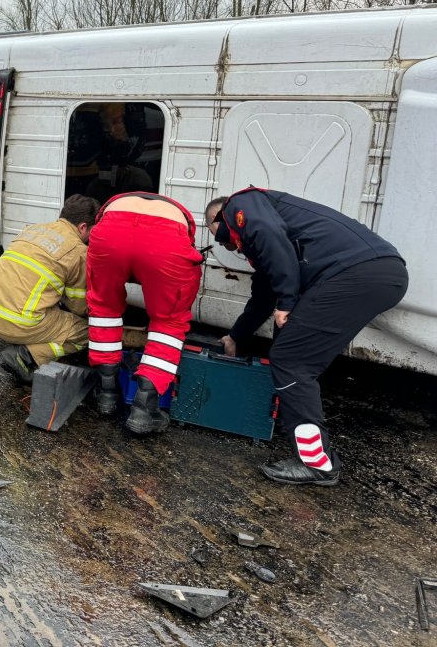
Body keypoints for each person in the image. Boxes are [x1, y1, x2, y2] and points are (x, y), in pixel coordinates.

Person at [205, 189, 408, 486]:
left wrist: (287, 301)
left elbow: (269, 237)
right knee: (290, 346)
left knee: (291, 359)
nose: (230, 245)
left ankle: (317, 463)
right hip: (374, 273)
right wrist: (236, 336)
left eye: (223, 236)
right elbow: (263, 297)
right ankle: (297, 428)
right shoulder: (266, 241)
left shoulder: (243, 203)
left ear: (221, 216)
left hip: (357, 273)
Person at [86, 192, 204, 435]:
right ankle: (143, 410)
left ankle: (106, 395)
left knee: (104, 309)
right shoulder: (177, 215)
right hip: (166, 238)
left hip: (111, 230)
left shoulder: (115, 204)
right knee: (169, 322)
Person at [0, 194, 100, 383]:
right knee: (90, 331)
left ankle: (22, 337)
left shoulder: (32, 230)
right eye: (93, 232)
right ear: (83, 227)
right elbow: (78, 306)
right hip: (14, 320)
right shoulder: (78, 251)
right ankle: (26, 356)